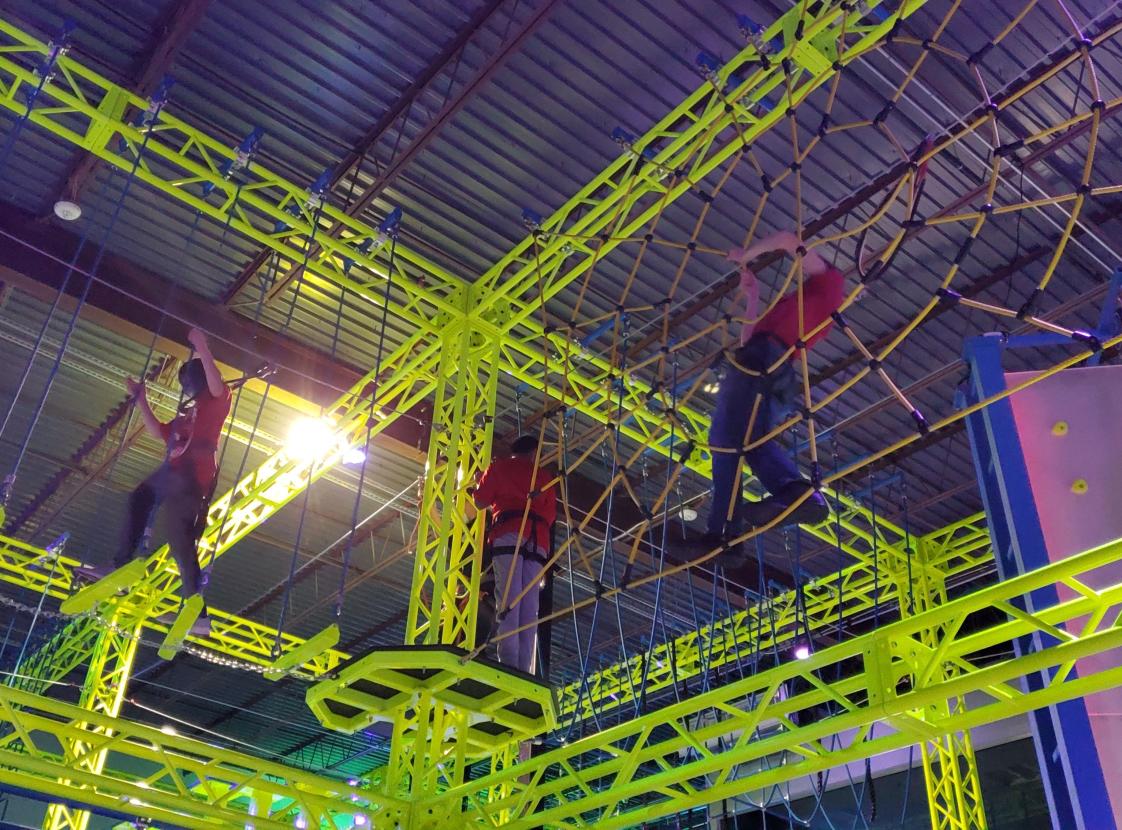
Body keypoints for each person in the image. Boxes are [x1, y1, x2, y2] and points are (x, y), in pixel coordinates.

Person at [703, 230, 840, 552]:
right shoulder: (795, 304)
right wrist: (753, 296)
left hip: (770, 361)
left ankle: (733, 525)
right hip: (762, 360)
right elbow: (747, 340)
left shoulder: (830, 284)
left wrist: (747, 253)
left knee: (727, 442)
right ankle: (727, 530)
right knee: (736, 441)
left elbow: (787, 240)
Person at [99, 328, 230, 634]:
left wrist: (202, 348)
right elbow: (160, 432)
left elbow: (215, 382)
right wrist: (140, 399)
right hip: (175, 471)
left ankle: (195, 610)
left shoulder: (216, 402)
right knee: (145, 503)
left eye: (188, 381)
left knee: (177, 534)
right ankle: (123, 567)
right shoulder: (187, 415)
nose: (186, 387)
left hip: (192, 474)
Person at [471, 434, 557, 676]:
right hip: (538, 541)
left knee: (508, 601)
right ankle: (524, 670)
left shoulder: (499, 468)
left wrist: (480, 485)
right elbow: (550, 517)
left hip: (509, 534)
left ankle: (509, 666)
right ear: (533, 453)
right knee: (530, 607)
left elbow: (480, 501)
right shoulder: (545, 477)